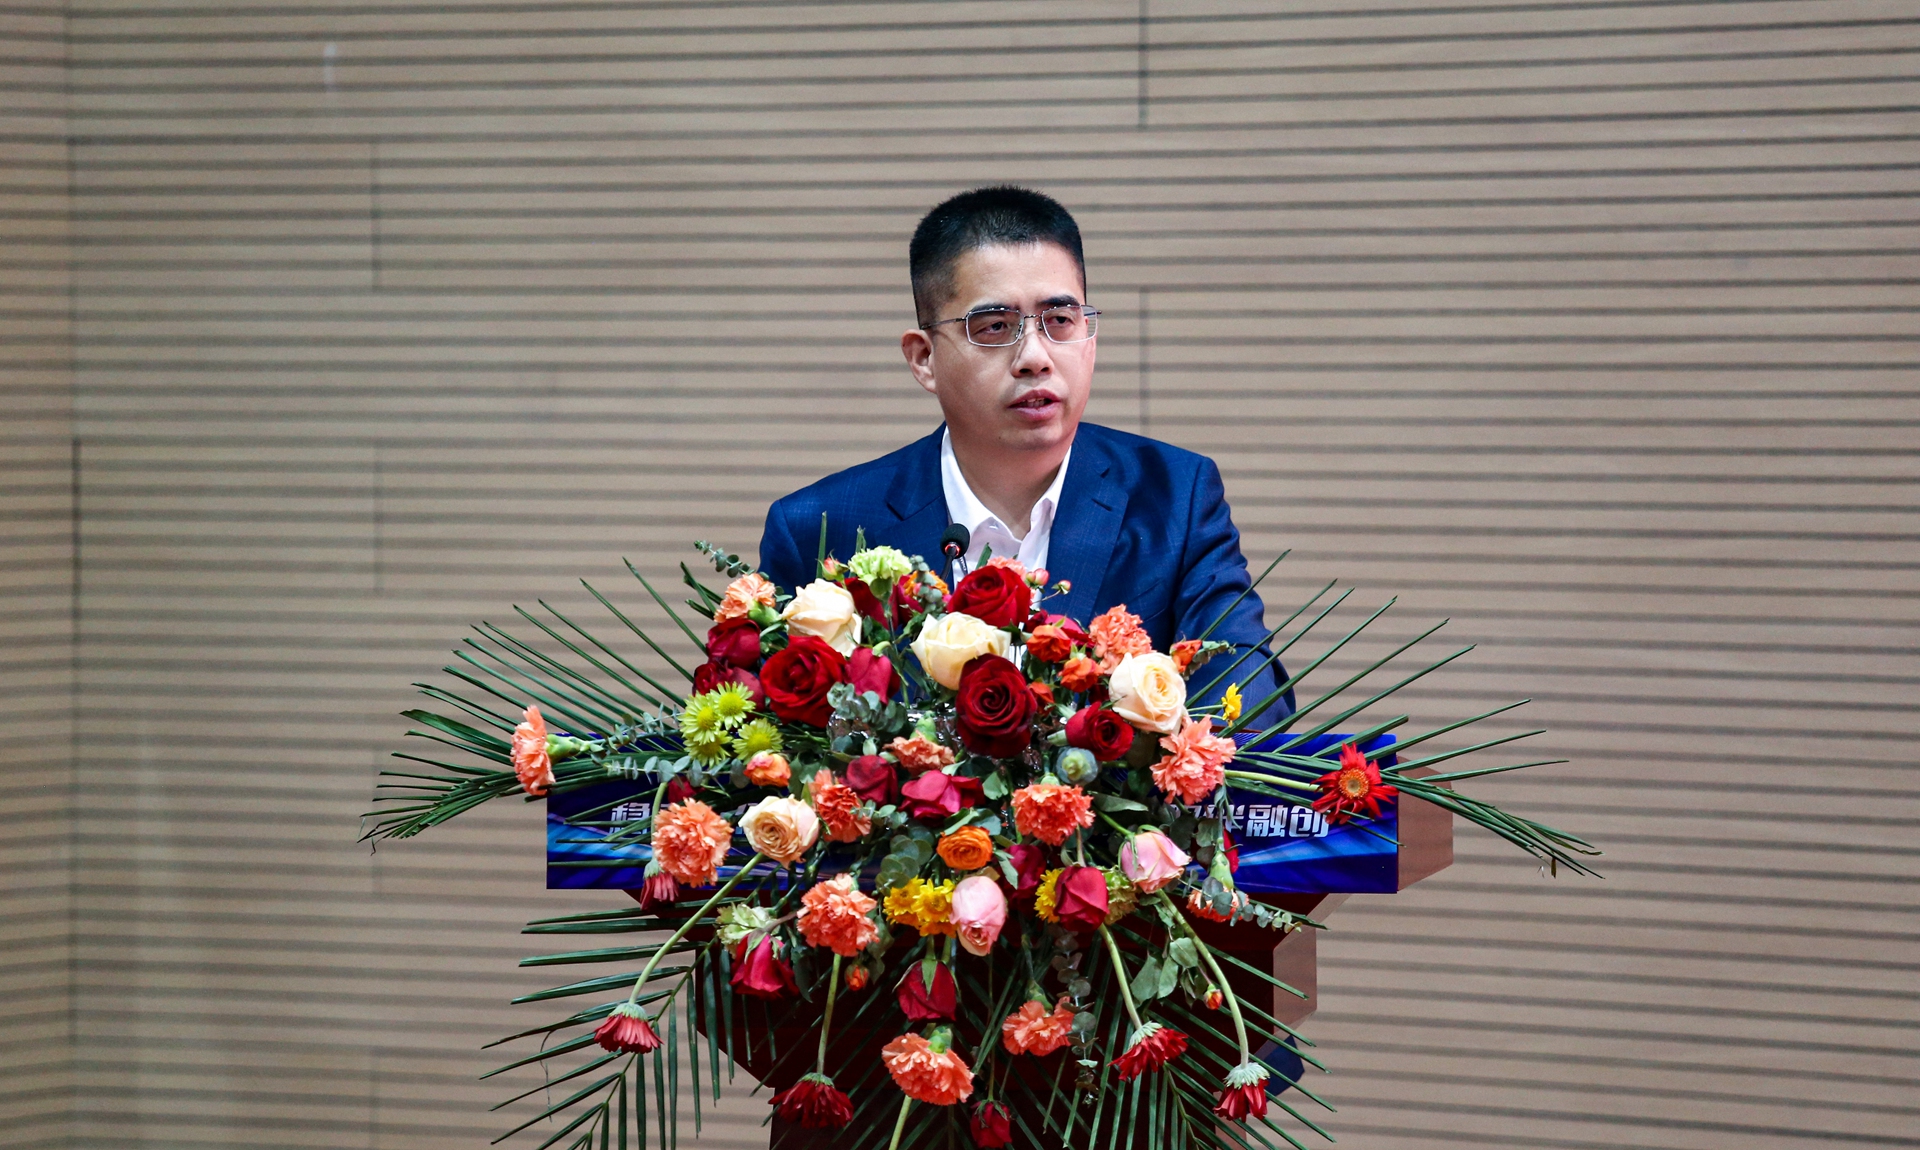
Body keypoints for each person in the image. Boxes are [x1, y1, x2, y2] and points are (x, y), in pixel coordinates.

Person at [757, 186, 1293, 726]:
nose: (1035, 357)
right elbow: (758, 743)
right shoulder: (819, 532)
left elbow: (1249, 703)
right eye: (995, 327)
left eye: (1059, 320)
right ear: (924, 359)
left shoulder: (1177, 498)